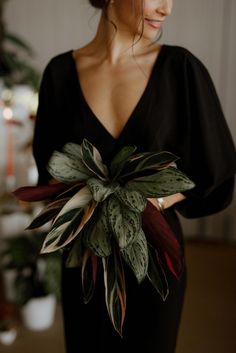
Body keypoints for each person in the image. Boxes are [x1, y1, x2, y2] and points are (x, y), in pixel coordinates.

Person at [32, 1, 236, 352]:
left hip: (155, 259)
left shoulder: (180, 68)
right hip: (85, 263)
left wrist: (150, 199)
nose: (167, 8)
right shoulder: (59, 73)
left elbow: (214, 169)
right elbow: (49, 178)